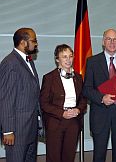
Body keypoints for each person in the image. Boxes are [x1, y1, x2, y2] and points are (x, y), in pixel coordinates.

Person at [83, 28, 116, 162]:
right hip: (100, 114)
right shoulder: (92, 62)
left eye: (115, 39)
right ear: (103, 41)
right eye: (108, 39)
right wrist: (102, 98)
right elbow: (87, 89)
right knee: (99, 155)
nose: (112, 42)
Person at [40, 44, 87, 162]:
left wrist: (78, 109)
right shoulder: (49, 77)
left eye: (70, 56)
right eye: (64, 56)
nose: (68, 60)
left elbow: (83, 99)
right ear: (57, 59)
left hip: (73, 122)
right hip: (55, 121)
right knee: (54, 156)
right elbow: (44, 103)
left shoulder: (78, 77)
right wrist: (62, 113)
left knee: (69, 156)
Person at [0, 28, 40, 162]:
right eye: (34, 41)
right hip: (17, 131)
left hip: (30, 127)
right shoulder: (10, 63)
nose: (36, 44)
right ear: (23, 42)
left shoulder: (28, 60)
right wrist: (8, 131)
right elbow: (6, 100)